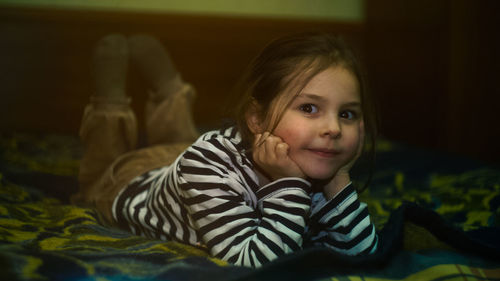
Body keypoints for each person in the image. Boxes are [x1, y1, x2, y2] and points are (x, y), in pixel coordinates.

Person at [71, 32, 378, 268]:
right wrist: (289, 185)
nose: (334, 129)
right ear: (257, 119)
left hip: (185, 167)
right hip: (129, 183)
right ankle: (112, 100)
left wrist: (340, 180)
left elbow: (363, 254)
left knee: (180, 140)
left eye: (347, 114)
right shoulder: (204, 165)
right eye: (309, 107)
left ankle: (170, 95)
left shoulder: (315, 163)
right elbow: (251, 263)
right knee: (103, 164)